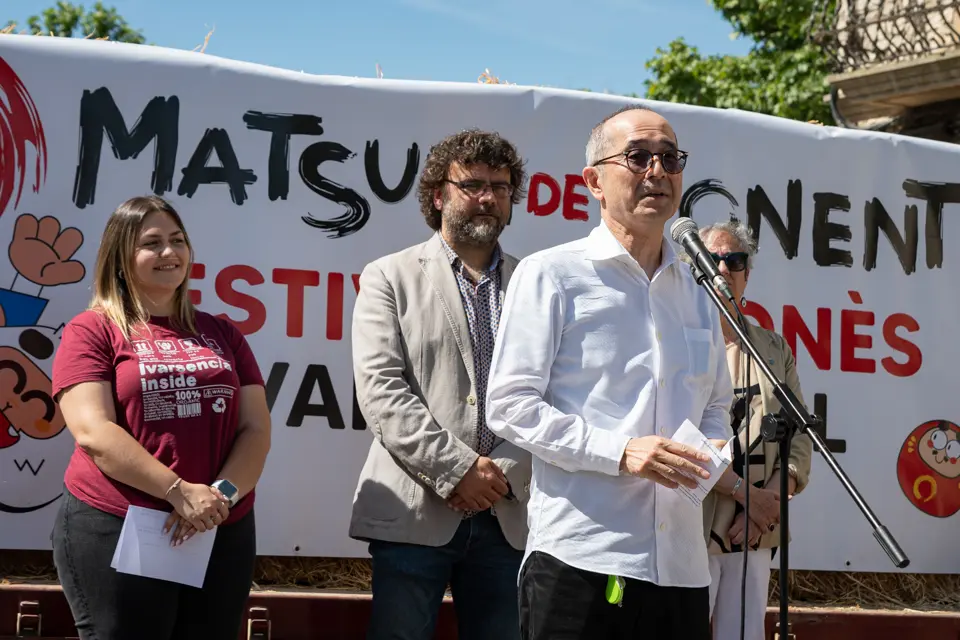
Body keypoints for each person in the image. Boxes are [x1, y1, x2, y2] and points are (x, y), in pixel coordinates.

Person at [485, 104, 734, 640]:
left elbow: (716, 403)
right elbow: (509, 404)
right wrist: (621, 452)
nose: (657, 172)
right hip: (584, 558)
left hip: (682, 566)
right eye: (639, 156)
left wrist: (710, 454)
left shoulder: (698, 289)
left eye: (669, 158)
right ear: (594, 181)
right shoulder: (552, 274)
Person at [50, 195, 272, 640]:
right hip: (118, 526)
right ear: (120, 257)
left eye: (178, 240)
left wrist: (215, 497)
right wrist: (178, 492)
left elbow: (256, 430)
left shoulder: (222, 331)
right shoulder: (91, 330)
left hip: (218, 526)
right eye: (151, 243)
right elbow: (93, 430)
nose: (169, 253)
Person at [349, 129, 532, 640]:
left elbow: (555, 394)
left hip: (509, 513)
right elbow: (382, 392)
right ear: (438, 195)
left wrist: (502, 473)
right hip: (413, 509)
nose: (488, 197)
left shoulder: (535, 284)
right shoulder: (388, 276)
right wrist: (456, 471)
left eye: (500, 186)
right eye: (472, 183)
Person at [694, 219, 813, 640]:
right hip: (694, 518)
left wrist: (768, 504)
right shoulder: (676, 341)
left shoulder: (773, 348)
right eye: (714, 260)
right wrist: (744, 495)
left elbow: (800, 435)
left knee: (742, 633)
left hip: (755, 525)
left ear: (747, 274)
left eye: (735, 260)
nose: (724, 269)